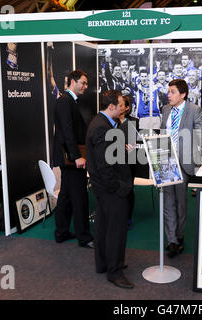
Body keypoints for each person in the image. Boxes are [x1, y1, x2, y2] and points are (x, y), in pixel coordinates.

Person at [86, 89, 134, 289]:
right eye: (121, 104)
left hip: (103, 188)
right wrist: (119, 187)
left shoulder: (101, 123)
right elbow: (104, 166)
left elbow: (104, 157)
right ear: (112, 106)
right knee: (115, 231)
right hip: (111, 189)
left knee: (104, 227)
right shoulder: (102, 128)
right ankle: (114, 272)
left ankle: (104, 264)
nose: (123, 107)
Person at [160, 79, 202, 258]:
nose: (168, 95)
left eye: (172, 92)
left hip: (183, 163)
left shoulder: (194, 110)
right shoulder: (165, 110)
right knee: (168, 202)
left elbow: (201, 136)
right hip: (166, 162)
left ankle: (179, 236)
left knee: (181, 203)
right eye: (168, 91)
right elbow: (163, 133)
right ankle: (172, 240)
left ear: (183, 94)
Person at [52, 69, 94, 248]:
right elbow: (67, 131)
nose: (85, 86)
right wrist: (76, 156)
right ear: (72, 82)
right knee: (79, 197)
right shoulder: (65, 101)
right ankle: (84, 237)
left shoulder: (69, 101)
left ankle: (61, 232)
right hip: (71, 158)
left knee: (66, 196)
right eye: (83, 83)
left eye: (86, 83)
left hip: (68, 157)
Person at [119, 96, 139, 230]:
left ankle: (127, 218)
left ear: (127, 108)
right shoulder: (111, 121)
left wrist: (132, 145)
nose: (119, 107)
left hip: (129, 160)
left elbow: (134, 141)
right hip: (114, 161)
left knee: (128, 189)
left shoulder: (133, 121)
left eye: (122, 105)